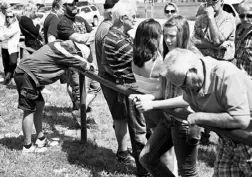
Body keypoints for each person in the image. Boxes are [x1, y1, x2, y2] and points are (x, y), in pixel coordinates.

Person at [157, 48, 252, 177]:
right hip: (228, 139)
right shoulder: (190, 79)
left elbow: (241, 119)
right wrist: (153, 103)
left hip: (248, 140)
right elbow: (186, 100)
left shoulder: (226, 74)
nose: (183, 90)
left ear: (193, 70)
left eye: (184, 85)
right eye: (179, 86)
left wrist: (199, 117)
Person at [131, 15, 201, 177]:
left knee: (187, 172)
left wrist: (154, 105)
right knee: (147, 158)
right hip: (169, 119)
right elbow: (165, 91)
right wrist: (150, 97)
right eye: (166, 35)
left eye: (172, 36)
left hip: (186, 122)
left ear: (182, 35)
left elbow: (187, 99)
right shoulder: (169, 54)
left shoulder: (192, 58)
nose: (168, 40)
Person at [13, 40, 95, 153]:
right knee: (29, 110)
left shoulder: (60, 47)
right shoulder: (62, 49)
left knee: (39, 104)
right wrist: (87, 65)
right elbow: (76, 60)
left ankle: (40, 138)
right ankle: (27, 146)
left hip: (29, 75)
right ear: (77, 51)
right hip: (27, 75)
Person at [132, 18, 177, 175]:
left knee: (156, 147)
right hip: (159, 108)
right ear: (153, 37)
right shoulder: (158, 62)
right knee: (167, 152)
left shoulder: (136, 59)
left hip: (147, 109)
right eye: (161, 34)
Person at [102, 0, 138, 167]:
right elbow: (142, 60)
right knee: (137, 128)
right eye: (133, 17)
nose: (135, 19)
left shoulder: (118, 35)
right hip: (130, 88)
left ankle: (128, 153)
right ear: (123, 18)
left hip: (126, 86)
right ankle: (140, 162)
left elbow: (106, 66)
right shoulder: (117, 39)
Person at [57, 0, 101, 128]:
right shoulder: (63, 22)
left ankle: (80, 111)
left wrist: (91, 34)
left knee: (96, 87)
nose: (75, 5)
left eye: (76, 3)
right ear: (64, 6)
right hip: (75, 63)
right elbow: (81, 38)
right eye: (71, 4)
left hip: (89, 61)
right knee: (79, 92)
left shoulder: (81, 19)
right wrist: (90, 35)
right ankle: (83, 117)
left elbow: (92, 34)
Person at [0, 8, 21, 85]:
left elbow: (7, 34)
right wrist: (5, 36)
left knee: (13, 62)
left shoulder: (15, 25)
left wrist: (5, 35)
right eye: (7, 17)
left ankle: (9, 76)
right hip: (4, 47)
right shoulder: (4, 25)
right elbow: (1, 36)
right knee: (5, 63)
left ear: (13, 17)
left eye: (10, 16)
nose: (9, 18)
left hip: (13, 48)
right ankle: (7, 78)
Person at [235, 0, 252, 78]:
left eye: (249, 16)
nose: (245, 19)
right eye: (242, 16)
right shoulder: (238, 30)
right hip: (239, 79)